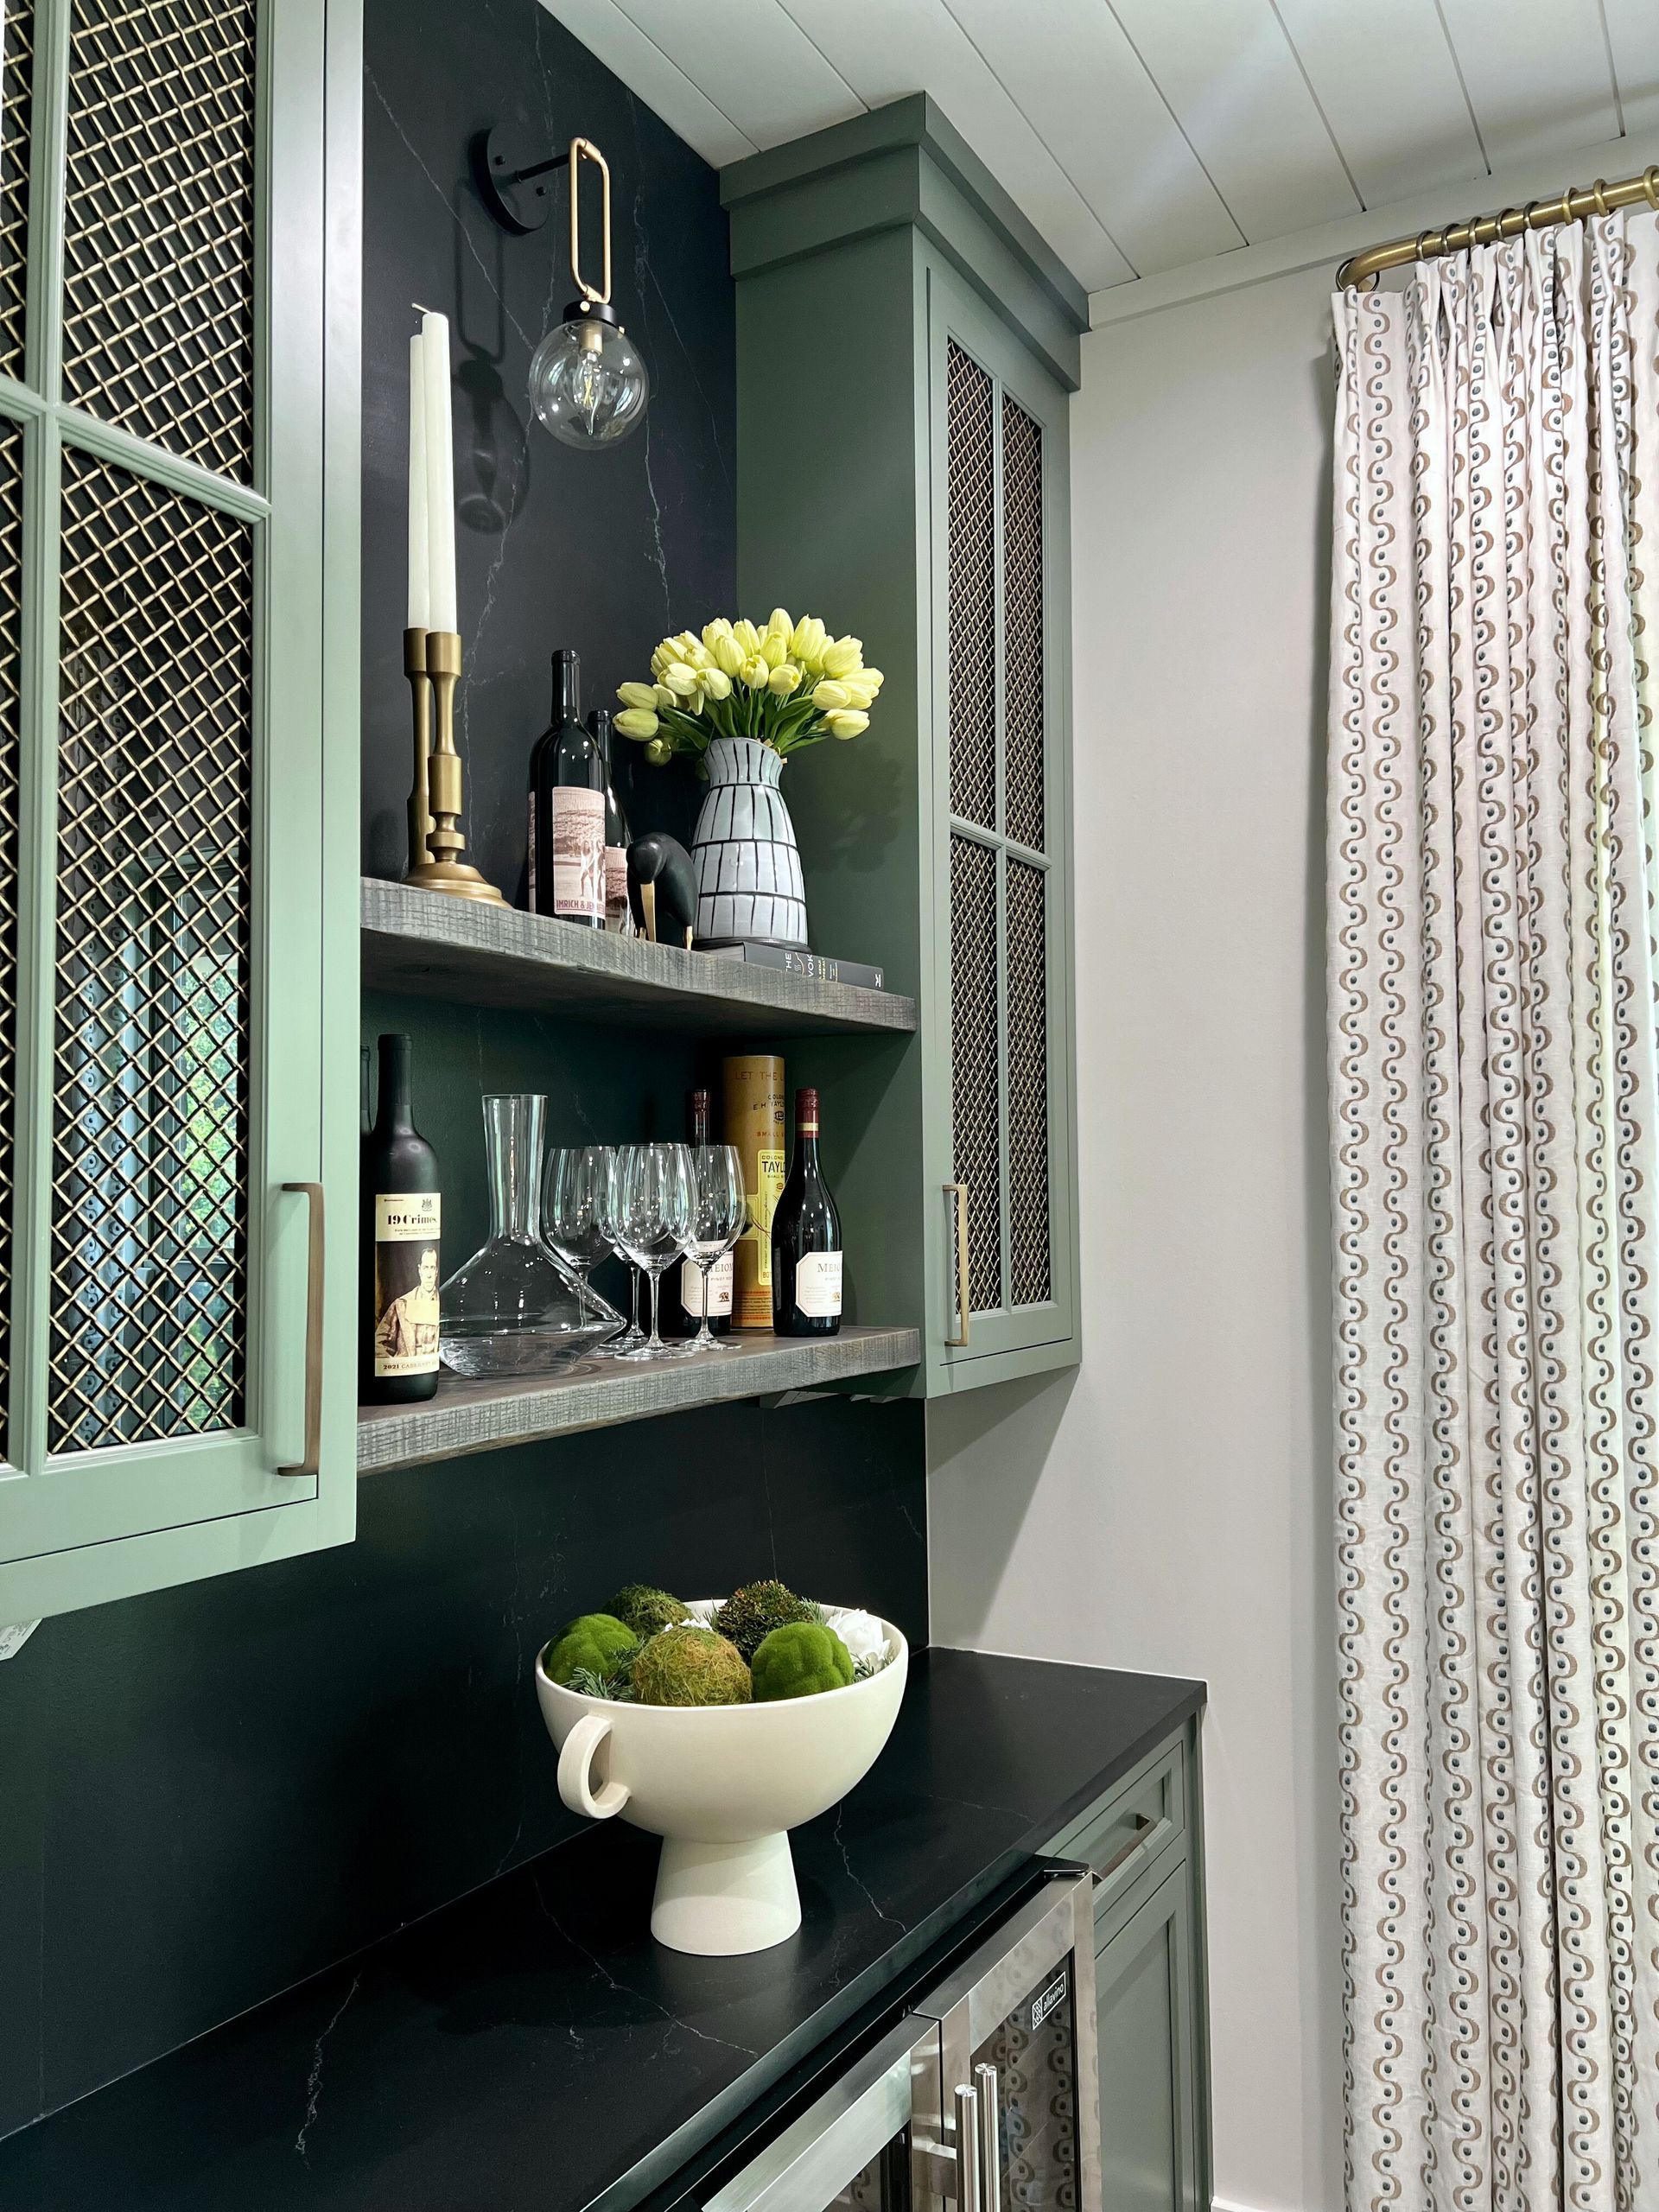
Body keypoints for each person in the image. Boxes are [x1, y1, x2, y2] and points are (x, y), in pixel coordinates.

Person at [376, 1245, 439, 1365]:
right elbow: (378, 1343)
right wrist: (394, 1365)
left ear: (436, 1272)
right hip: (404, 1374)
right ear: (420, 1270)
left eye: (432, 1268)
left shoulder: (443, 1302)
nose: (429, 1274)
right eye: (426, 1268)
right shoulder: (402, 1304)